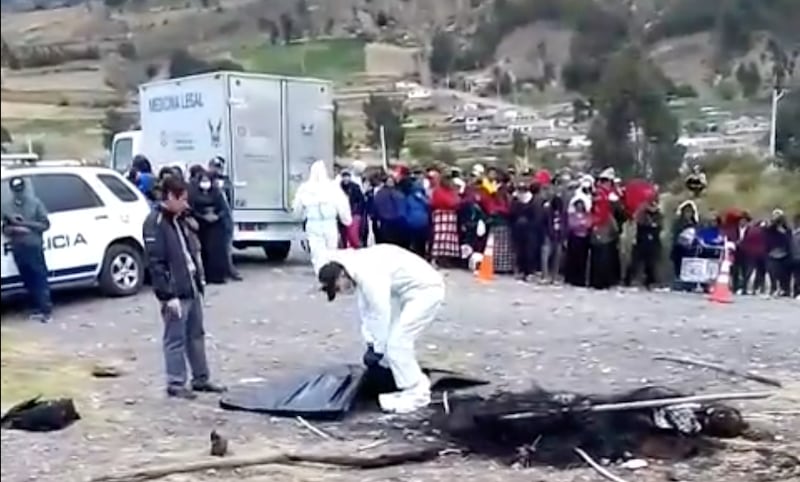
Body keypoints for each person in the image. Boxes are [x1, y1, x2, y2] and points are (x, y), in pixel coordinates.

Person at [316, 244, 445, 413]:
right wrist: (371, 343)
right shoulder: (356, 268)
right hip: (405, 291)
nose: (342, 292)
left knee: (398, 342)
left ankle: (417, 393)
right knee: (393, 341)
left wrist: (377, 349)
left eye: (338, 288)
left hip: (426, 290)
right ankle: (407, 384)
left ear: (341, 275)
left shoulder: (367, 273)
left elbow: (380, 313)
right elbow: (366, 310)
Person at [143, 176, 225, 399]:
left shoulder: (180, 220)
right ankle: (176, 381)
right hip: (175, 291)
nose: (186, 204)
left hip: (191, 285)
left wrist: (199, 281)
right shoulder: (155, 223)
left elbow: (191, 250)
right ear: (170, 196)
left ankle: (201, 377)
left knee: (196, 334)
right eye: (182, 200)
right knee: (175, 337)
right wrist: (167, 295)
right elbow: (156, 263)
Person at [1, 177, 52, 322]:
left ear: (24, 188)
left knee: (40, 278)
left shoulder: (35, 204)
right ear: (12, 190)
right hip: (18, 248)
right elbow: (5, 228)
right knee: (28, 280)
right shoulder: (6, 207)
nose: (19, 193)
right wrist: (14, 229)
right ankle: (37, 308)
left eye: (21, 189)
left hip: (33, 247)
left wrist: (26, 225)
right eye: (16, 190)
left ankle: (46, 311)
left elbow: (45, 225)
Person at [292, 159, 352, 273]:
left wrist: (297, 217)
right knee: (331, 251)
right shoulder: (332, 187)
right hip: (328, 224)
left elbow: (297, 207)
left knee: (317, 252)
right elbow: (343, 205)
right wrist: (346, 220)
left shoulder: (305, 188)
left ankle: (321, 274)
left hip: (314, 224)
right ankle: (330, 275)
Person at [189, 170, 229, 284]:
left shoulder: (216, 193)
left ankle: (218, 276)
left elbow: (223, 209)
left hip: (216, 226)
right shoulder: (194, 193)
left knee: (216, 251)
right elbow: (193, 209)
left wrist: (216, 216)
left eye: (207, 180)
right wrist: (203, 216)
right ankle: (205, 276)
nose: (205, 183)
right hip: (202, 226)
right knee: (204, 251)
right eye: (203, 181)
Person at [207, 157, 242, 281]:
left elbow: (229, 199)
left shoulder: (225, 181)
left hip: (225, 217)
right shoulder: (207, 181)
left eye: (219, 167)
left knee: (227, 245)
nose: (217, 169)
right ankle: (225, 270)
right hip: (216, 220)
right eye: (214, 166)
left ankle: (229, 269)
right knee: (218, 247)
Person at [624, 197, 663, 289]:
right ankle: (628, 280)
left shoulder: (658, 215)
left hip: (653, 240)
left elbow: (660, 226)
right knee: (635, 262)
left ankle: (650, 281)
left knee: (651, 262)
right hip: (641, 240)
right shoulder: (642, 213)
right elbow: (636, 224)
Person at [764, 209, 792, 297]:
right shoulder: (770, 228)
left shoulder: (786, 228)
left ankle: (784, 289)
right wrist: (774, 222)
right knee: (773, 272)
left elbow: (789, 238)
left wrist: (782, 226)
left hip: (784, 253)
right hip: (772, 252)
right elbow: (767, 230)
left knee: (784, 274)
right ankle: (774, 288)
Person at [564, 198, 591, 287]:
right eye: (578, 206)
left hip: (584, 240)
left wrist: (582, 224)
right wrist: (581, 224)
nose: (579, 207)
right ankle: (572, 278)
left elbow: (589, 224)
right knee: (573, 259)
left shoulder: (587, 215)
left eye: (581, 206)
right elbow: (571, 225)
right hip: (574, 239)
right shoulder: (572, 215)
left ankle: (581, 279)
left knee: (582, 260)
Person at [339, 170, 366, 248]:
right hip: (342, 214)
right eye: (344, 177)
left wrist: (357, 212)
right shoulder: (339, 188)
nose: (346, 179)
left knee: (353, 234)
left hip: (354, 214)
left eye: (347, 177)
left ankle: (356, 248)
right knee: (344, 235)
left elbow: (361, 201)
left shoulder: (355, 187)